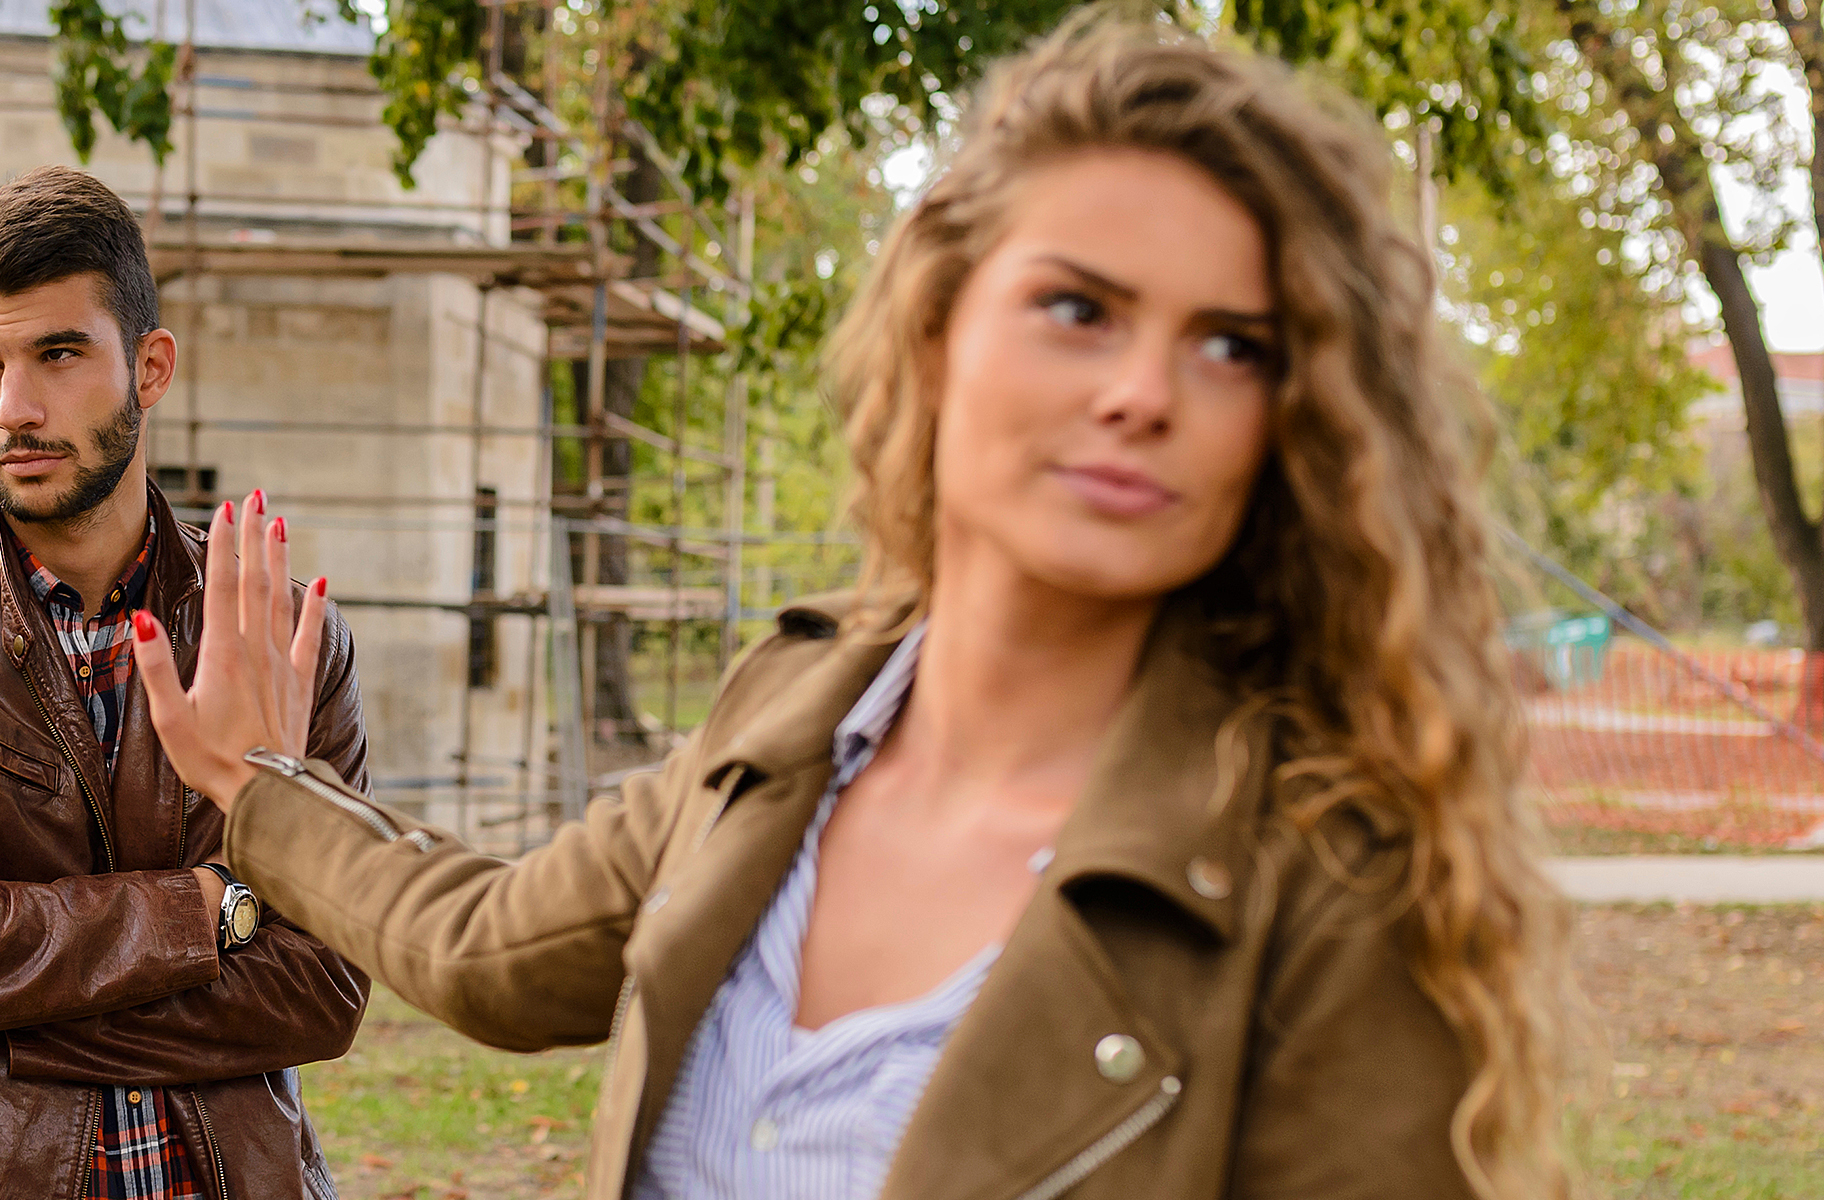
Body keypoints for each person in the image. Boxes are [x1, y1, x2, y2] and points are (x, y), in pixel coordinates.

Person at [131, 24, 1574, 1200]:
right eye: (1082, 308)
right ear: (942, 327)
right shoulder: (799, 707)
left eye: (1231, 345)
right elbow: (496, 948)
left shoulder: (1323, 869)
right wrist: (257, 784)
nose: (1145, 391)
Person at [0, 166, 372, 1200]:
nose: (15, 408)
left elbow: (322, 987)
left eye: (58, 354)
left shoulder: (281, 634)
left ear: (152, 365)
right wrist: (205, 913)